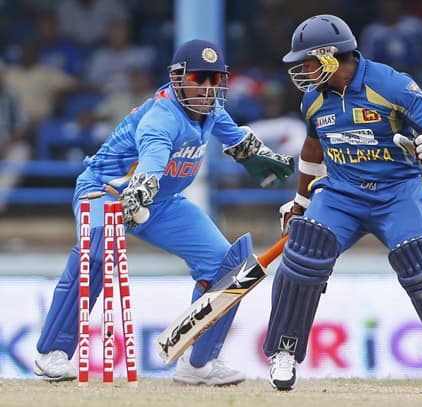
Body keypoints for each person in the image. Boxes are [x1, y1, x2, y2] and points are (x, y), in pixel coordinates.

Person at [33, 39, 294, 384]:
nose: (208, 87)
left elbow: (239, 141)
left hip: (163, 202)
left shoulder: (212, 109)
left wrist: (271, 161)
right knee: (96, 252)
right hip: (104, 191)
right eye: (200, 78)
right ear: (177, 78)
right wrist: (141, 191)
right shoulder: (161, 118)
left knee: (225, 264)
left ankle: (198, 364)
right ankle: (52, 353)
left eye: (216, 79)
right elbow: (153, 162)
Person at [263, 15, 422, 394]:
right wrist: (301, 200)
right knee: (305, 251)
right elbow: (313, 147)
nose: (302, 71)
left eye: (307, 62)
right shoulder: (313, 98)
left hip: (396, 192)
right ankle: (284, 351)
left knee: (421, 264)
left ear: (331, 58)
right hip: (341, 194)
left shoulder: (389, 83)